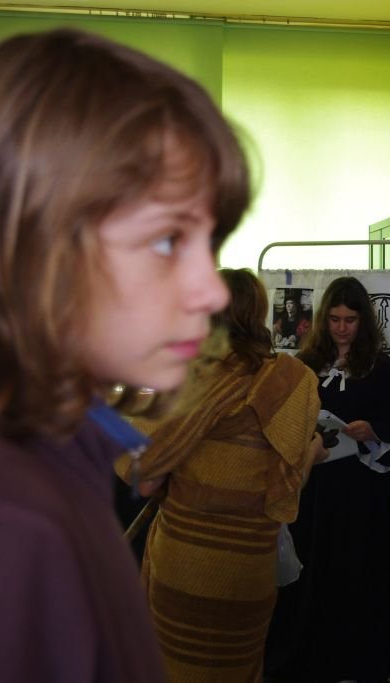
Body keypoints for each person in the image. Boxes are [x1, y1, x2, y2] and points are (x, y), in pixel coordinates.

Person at [0, 28, 250, 682]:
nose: (213, 289)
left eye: (211, 239)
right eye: (168, 240)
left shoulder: (31, 462)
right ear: (8, 253)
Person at [119, 268, 326, 683]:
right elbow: (286, 488)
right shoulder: (291, 382)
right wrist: (313, 453)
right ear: (258, 313)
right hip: (249, 564)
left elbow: (145, 478)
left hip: (184, 560)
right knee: (238, 667)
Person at [266, 276, 390, 683]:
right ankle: (308, 656)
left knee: (359, 570)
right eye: (335, 320)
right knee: (315, 567)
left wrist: (371, 429)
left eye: (350, 320)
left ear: (363, 321)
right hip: (319, 485)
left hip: (363, 487)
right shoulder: (306, 363)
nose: (342, 328)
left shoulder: (379, 366)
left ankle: (360, 660)